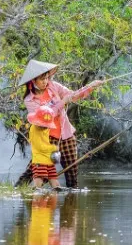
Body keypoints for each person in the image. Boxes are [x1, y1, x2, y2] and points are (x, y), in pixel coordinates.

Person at [15, 59, 104, 189]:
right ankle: (19, 189)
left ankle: (71, 201)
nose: (45, 81)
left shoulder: (53, 86)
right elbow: (45, 117)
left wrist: (91, 86)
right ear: (33, 81)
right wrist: (62, 102)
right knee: (35, 169)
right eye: (42, 79)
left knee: (72, 170)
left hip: (65, 134)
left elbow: (73, 95)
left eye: (46, 78)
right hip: (46, 137)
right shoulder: (30, 100)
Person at [28, 104, 63, 190]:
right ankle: (34, 196)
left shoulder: (45, 129)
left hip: (49, 161)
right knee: (39, 180)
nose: (46, 127)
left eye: (47, 125)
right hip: (39, 161)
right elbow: (41, 147)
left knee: (54, 180)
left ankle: (56, 195)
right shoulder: (34, 130)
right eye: (43, 125)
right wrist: (54, 148)